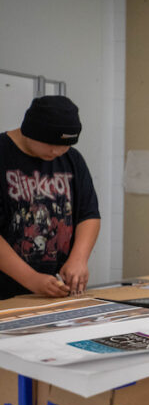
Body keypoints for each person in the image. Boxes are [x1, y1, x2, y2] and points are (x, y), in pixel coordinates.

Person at [1, 96, 100, 300]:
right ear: (30, 131)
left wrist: (79, 259)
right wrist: (31, 279)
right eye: (50, 144)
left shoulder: (72, 159)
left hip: (52, 290)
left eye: (65, 146)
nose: (56, 151)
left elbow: (88, 215)